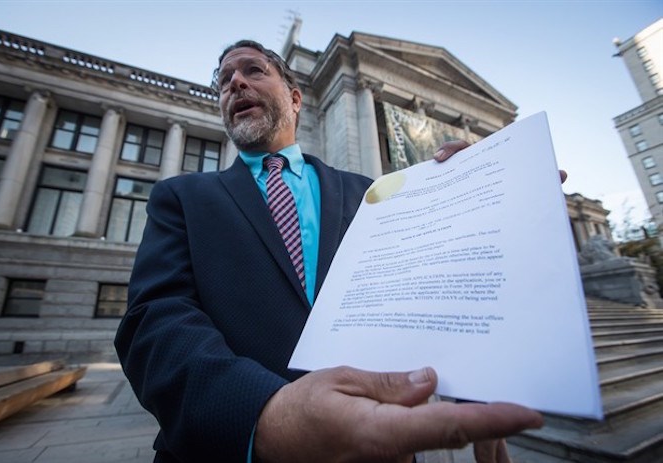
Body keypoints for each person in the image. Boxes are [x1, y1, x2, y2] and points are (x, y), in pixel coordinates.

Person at [115, 40, 544, 463]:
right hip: (229, 449)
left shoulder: (371, 195)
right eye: (225, 81)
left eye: (253, 70)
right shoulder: (181, 197)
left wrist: (475, 199)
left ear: (296, 98)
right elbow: (154, 323)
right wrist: (261, 416)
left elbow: (428, 289)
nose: (236, 83)